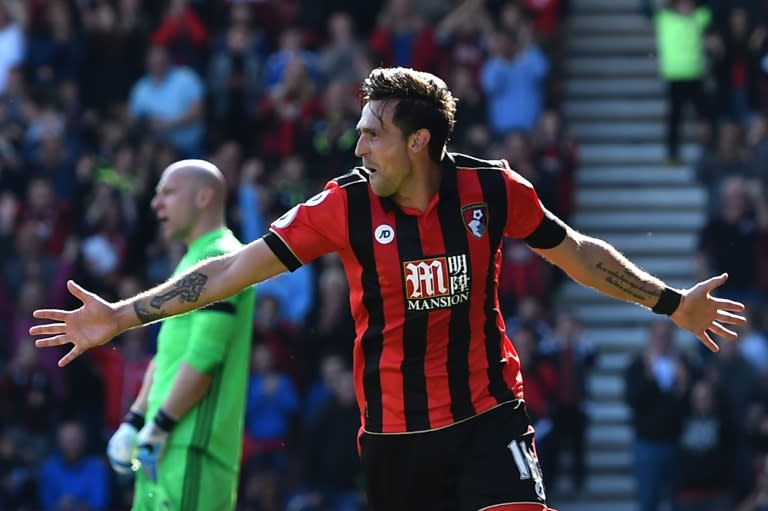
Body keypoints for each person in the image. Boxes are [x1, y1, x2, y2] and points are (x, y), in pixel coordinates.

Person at [31, 67, 746, 511]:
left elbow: (577, 254)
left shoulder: (492, 189)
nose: (357, 145)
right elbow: (230, 269)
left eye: (372, 133)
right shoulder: (340, 206)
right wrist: (121, 316)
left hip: (488, 415)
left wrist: (670, 302)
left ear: (420, 143)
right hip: (395, 439)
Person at [102, 160, 255, 511]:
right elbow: (168, 354)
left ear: (204, 197)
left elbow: (205, 356)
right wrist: (135, 420)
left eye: (168, 193)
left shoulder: (220, 255)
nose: (156, 204)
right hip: (162, 444)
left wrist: (158, 425)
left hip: (190, 447)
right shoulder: (192, 260)